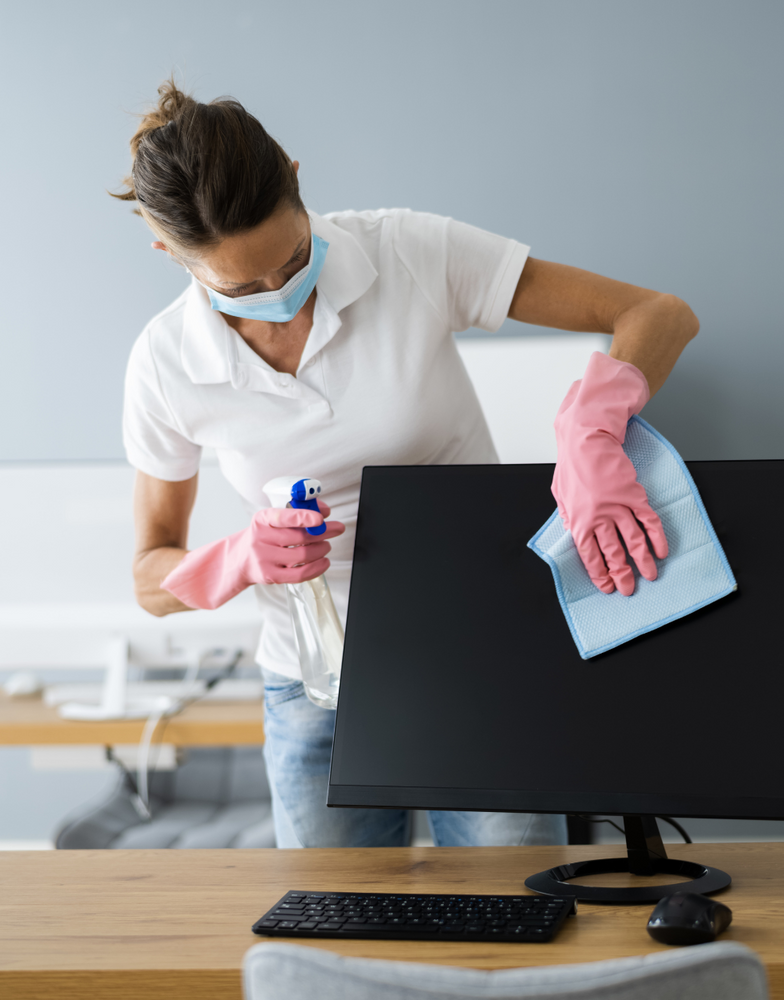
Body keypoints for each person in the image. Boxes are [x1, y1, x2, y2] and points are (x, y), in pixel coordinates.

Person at [118, 81, 697, 850]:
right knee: (338, 939)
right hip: (315, 690)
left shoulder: (407, 252)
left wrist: (594, 423)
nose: (281, 297)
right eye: (242, 289)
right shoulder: (164, 364)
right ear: (169, 254)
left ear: (295, 177)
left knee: (516, 918)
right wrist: (237, 560)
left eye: (292, 262)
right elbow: (151, 580)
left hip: (482, 659)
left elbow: (658, 314)